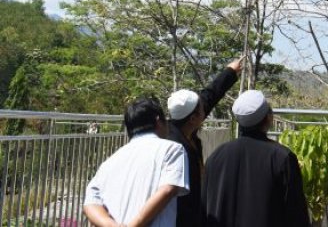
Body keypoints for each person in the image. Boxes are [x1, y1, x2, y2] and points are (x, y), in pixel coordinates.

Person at [203, 90, 311, 227]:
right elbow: (296, 214)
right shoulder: (282, 158)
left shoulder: (216, 156)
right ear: (268, 118)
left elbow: (204, 209)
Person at [84, 97, 189, 227]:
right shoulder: (172, 149)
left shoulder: (110, 162)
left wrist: (110, 225)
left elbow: (90, 204)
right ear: (158, 121)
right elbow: (168, 189)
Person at [166, 57, 243, 227]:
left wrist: (230, 72)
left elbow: (210, 96)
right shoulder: (175, 148)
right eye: (202, 109)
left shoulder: (184, 128)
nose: (205, 108)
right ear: (194, 118)